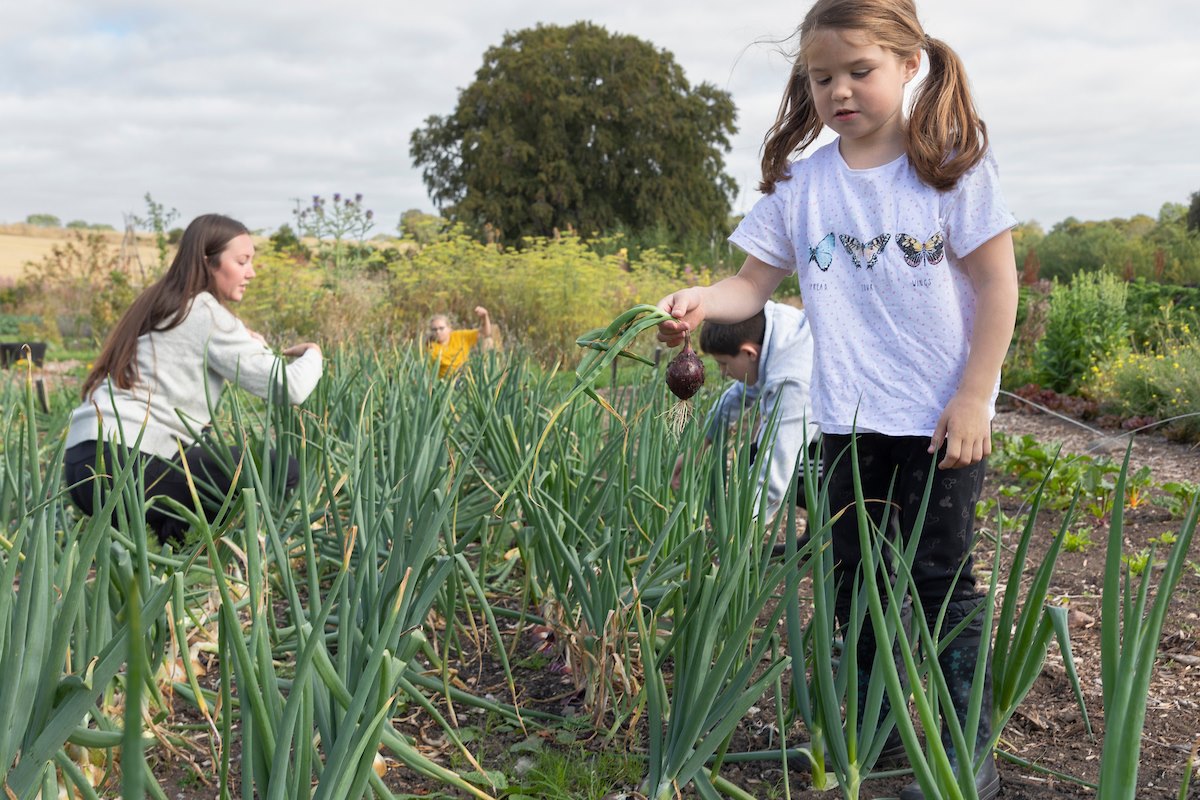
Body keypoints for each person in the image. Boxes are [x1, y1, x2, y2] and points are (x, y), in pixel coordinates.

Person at [655, 1, 1017, 797]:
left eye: (860, 71)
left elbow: (998, 287)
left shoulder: (950, 167)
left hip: (937, 425)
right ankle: (874, 741)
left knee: (937, 581)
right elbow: (749, 282)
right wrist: (698, 300)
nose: (839, 91)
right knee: (855, 580)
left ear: (910, 64)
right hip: (845, 421)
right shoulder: (804, 185)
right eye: (822, 78)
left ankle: (965, 758)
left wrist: (974, 397)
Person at [64, 214, 323, 545]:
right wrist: (313, 353)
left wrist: (249, 342)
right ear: (208, 262)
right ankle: (213, 555)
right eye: (242, 261)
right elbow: (291, 388)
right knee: (278, 469)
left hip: (80, 465)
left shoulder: (162, 302)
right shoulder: (204, 311)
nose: (251, 272)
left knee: (203, 462)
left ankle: (174, 551)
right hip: (127, 465)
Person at [670, 301, 820, 532]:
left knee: (760, 463)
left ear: (749, 352)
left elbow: (775, 468)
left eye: (724, 364)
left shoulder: (791, 381)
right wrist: (697, 450)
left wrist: (736, 536)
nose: (723, 373)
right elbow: (736, 398)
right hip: (831, 433)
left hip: (860, 449)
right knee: (749, 457)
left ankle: (834, 540)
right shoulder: (772, 336)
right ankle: (816, 536)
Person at [427, 306, 492, 377]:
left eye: (441, 328)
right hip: (445, 382)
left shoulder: (460, 336)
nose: (438, 332)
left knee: (488, 341)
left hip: (465, 376)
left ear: (449, 328)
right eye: (434, 329)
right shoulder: (431, 346)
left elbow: (485, 333)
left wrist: (485, 317)